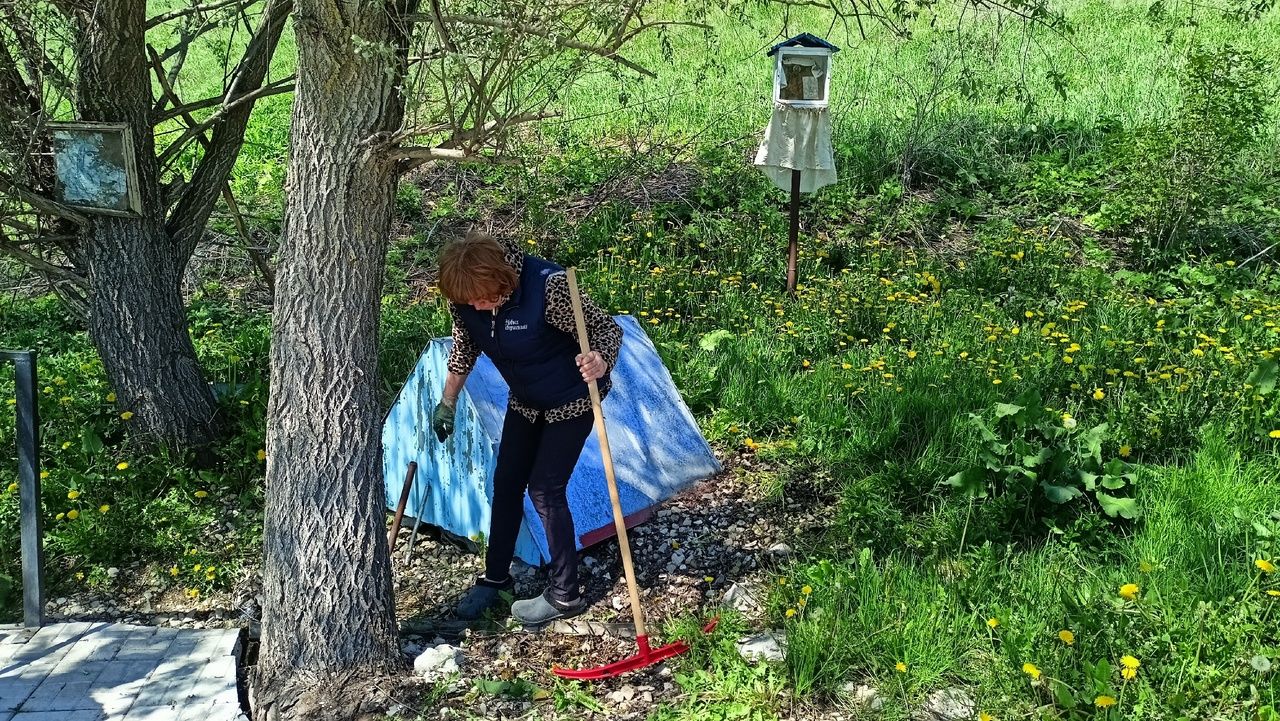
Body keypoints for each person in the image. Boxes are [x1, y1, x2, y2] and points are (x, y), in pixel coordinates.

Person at [431, 231, 623, 626]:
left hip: (572, 397)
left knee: (545, 489)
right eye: (470, 303)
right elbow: (465, 347)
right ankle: (494, 579)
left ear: (503, 279)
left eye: (485, 299)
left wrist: (600, 360)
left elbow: (606, 330)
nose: (479, 307)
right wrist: (447, 401)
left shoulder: (548, 288)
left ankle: (564, 594)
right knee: (506, 480)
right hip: (526, 400)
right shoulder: (466, 299)